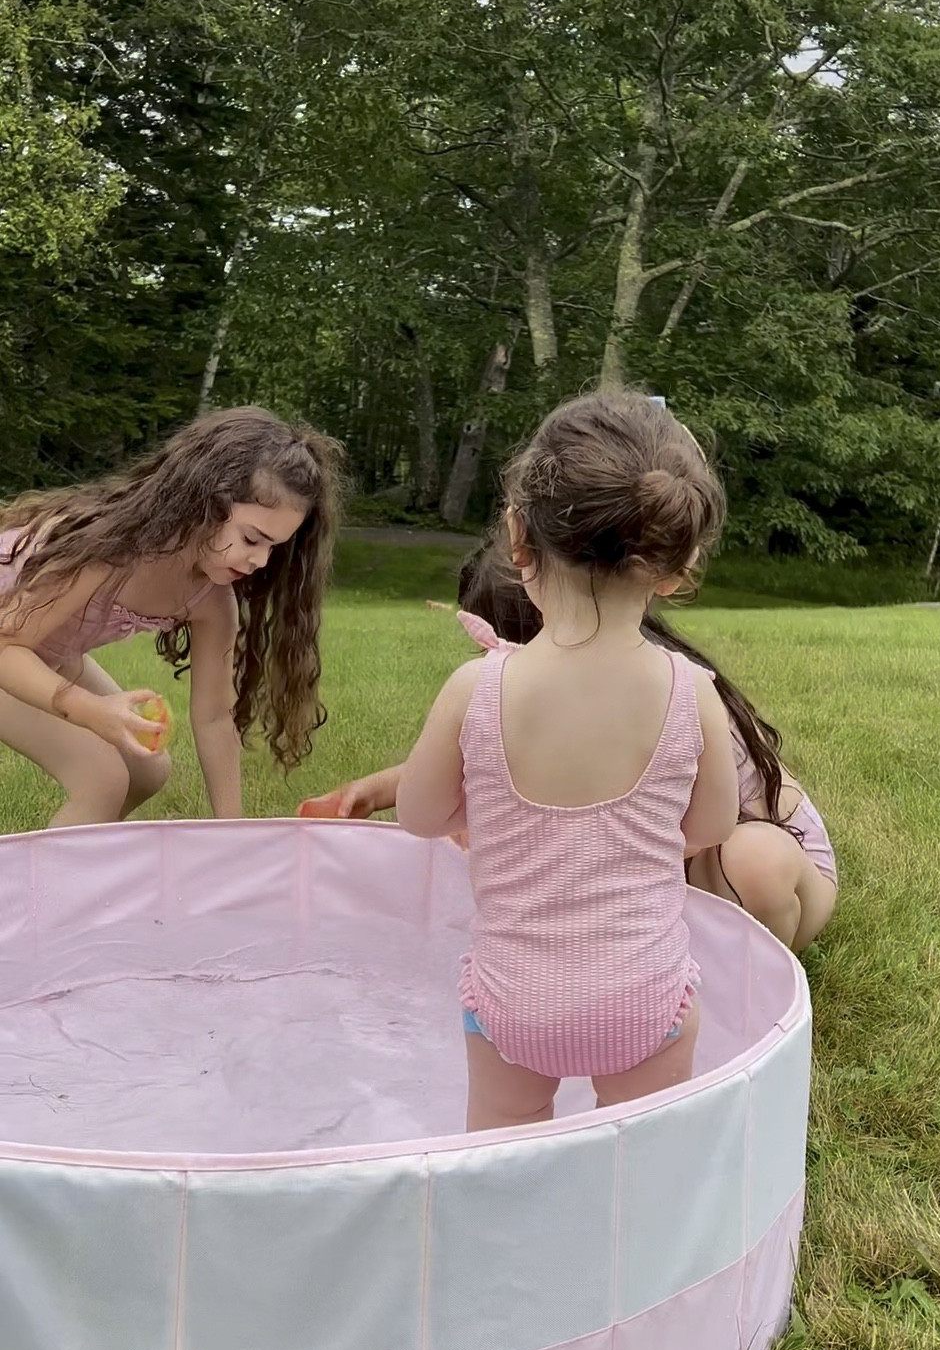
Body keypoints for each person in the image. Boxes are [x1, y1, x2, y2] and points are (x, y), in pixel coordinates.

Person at [377, 391, 738, 1129]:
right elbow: (712, 822)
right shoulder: (691, 694)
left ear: (517, 537)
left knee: (500, 1153)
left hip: (514, 1004)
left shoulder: (476, 689)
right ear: (675, 566)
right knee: (643, 1160)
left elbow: (418, 816)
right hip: (645, 998)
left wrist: (493, 818)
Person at [317, 535, 838, 954]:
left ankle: (763, 988)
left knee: (756, 860)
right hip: (669, 876)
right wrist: (373, 791)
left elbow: (701, 832)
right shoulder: (557, 686)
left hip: (759, 862)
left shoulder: (677, 698)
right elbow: (479, 761)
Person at [0, 406, 344, 828]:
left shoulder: (212, 601)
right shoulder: (108, 551)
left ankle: (87, 852)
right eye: (252, 538)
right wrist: (89, 709)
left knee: (149, 768)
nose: (259, 559)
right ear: (204, 503)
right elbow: (7, 644)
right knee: (101, 778)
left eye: (273, 547)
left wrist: (232, 829)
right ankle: (51, 892)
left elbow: (214, 716)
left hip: (43, 650)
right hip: (8, 645)